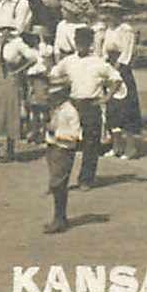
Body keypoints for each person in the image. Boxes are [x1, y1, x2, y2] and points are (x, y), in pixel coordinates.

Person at [49, 27, 126, 190]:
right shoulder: (69, 61)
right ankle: (61, 179)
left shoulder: (98, 62)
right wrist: (63, 83)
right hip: (73, 105)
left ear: (90, 43)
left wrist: (107, 97)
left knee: (91, 144)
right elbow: (54, 75)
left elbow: (117, 79)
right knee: (67, 143)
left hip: (91, 105)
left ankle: (86, 179)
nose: (80, 46)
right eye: (78, 42)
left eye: (84, 43)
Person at [0, 24, 39, 162]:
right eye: (0, 29)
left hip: (10, 77)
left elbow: (33, 58)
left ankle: (10, 150)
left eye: (6, 29)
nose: (3, 32)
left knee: (10, 111)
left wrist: (19, 70)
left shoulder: (17, 43)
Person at [99, 0, 142, 160]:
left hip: (121, 70)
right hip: (109, 68)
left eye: (111, 13)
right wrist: (104, 68)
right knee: (112, 108)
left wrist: (116, 69)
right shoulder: (109, 30)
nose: (108, 16)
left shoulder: (126, 30)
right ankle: (116, 145)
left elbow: (126, 53)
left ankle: (130, 147)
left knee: (125, 108)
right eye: (106, 12)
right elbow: (104, 51)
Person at [42, 74, 80, 234]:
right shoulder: (56, 110)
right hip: (53, 147)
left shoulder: (70, 112)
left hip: (64, 149)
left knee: (58, 184)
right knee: (56, 184)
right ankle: (59, 217)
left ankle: (59, 219)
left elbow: (75, 135)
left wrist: (56, 132)